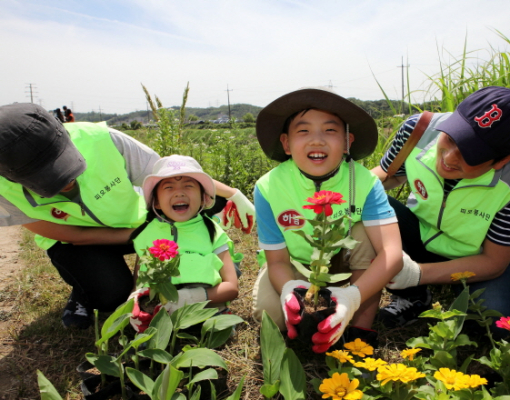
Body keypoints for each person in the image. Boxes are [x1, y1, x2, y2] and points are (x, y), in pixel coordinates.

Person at [0, 103, 255, 329]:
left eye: (66, 165)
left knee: (208, 202)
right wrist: (144, 238)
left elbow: (170, 175)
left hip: (134, 224)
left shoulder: (103, 141)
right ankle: (84, 290)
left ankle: (203, 262)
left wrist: (233, 194)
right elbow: (69, 234)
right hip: (77, 242)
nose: (66, 182)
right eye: (48, 179)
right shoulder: (4, 190)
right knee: (111, 294)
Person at [371, 86, 510, 336]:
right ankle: (413, 298)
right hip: (419, 235)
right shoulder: (418, 129)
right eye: (451, 138)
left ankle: (443, 291)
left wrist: (418, 273)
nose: (449, 158)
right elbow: (386, 176)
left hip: (478, 257)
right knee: (366, 202)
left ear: (502, 161)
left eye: (470, 155)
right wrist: (339, 194)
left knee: (494, 327)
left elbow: (494, 262)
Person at [251, 88, 404, 352]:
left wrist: (352, 297)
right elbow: (276, 260)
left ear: (347, 142)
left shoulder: (365, 182)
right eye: (304, 131)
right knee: (271, 315)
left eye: (330, 130)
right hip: (294, 266)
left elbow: (392, 253)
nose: (317, 141)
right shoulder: (268, 188)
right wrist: (289, 287)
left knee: (365, 232)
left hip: (346, 268)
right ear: (286, 144)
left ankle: (359, 329)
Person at [128, 155, 239, 333]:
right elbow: (139, 284)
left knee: (213, 330)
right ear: (156, 200)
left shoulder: (214, 233)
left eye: (188, 185)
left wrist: (190, 297)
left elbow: (231, 288)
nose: (179, 193)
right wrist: (134, 301)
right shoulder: (146, 235)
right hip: (159, 312)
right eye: (168, 187)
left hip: (205, 307)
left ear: (203, 198)